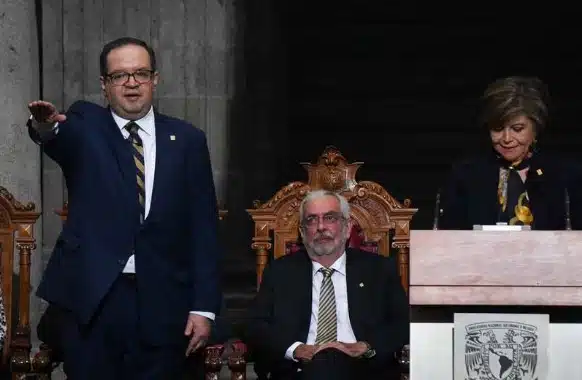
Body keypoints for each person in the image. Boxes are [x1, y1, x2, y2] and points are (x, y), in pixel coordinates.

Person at [27, 37, 222, 379]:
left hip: (165, 301)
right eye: (119, 76)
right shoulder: (85, 126)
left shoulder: (188, 139)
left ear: (155, 79)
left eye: (140, 74)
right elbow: (57, 136)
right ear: (104, 85)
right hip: (95, 303)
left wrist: (203, 307)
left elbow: (203, 228)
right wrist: (46, 125)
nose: (131, 83)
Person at [245, 190, 409, 380]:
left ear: (347, 228)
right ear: (302, 232)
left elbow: (401, 324)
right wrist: (295, 349)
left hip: (363, 369)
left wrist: (366, 347)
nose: (321, 227)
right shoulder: (280, 271)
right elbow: (255, 326)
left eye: (330, 218)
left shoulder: (379, 269)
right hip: (300, 371)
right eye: (312, 220)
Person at [439, 76, 582, 230]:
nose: (507, 139)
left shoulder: (566, 176)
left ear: (535, 129)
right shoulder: (465, 175)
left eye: (517, 129)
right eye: (498, 129)